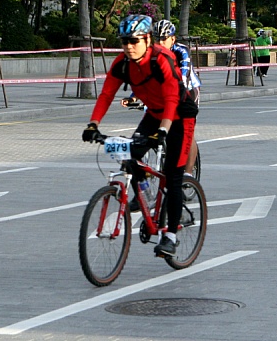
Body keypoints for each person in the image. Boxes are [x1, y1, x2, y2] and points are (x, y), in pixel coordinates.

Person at [82, 14, 198, 258]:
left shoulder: (162, 59)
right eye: (124, 41)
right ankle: (147, 197)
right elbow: (106, 95)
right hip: (153, 114)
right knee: (130, 155)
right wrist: (93, 124)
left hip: (178, 116)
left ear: (147, 39)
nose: (128, 47)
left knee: (173, 177)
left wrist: (163, 130)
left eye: (134, 41)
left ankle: (170, 236)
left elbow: (171, 98)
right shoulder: (122, 63)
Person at [151, 19, 201, 176]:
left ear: (172, 39)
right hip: (167, 90)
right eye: (157, 38)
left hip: (188, 89)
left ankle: (188, 173)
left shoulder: (181, 51)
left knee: (187, 131)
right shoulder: (152, 53)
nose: (160, 42)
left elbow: (184, 75)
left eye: (163, 39)